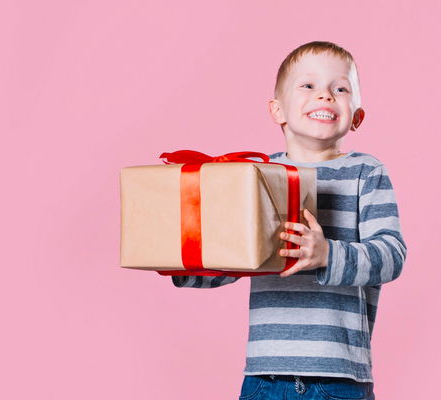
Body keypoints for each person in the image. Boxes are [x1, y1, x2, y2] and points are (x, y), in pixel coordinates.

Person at [170, 41, 407, 400]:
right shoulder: (259, 175)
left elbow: (391, 255)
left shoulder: (365, 172)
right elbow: (234, 256)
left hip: (338, 377)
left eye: (340, 89)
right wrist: (181, 261)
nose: (325, 96)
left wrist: (328, 253)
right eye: (308, 86)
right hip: (265, 374)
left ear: (356, 115)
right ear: (277, 110)